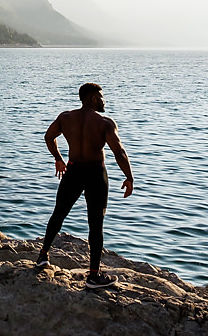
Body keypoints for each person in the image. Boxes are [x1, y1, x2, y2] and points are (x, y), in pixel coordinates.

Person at [36, 83, 134, 289]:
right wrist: (129, 177)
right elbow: (120, 152)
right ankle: (93, 276)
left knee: (59, 213)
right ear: (92, 99)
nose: (104, 100)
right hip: (95, 174)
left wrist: (59, 159)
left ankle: (43, 256)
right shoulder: (105, 123)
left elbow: (48, 137)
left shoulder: (66, 118)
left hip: (73, 171)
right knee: (95, 224)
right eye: (101, 97)